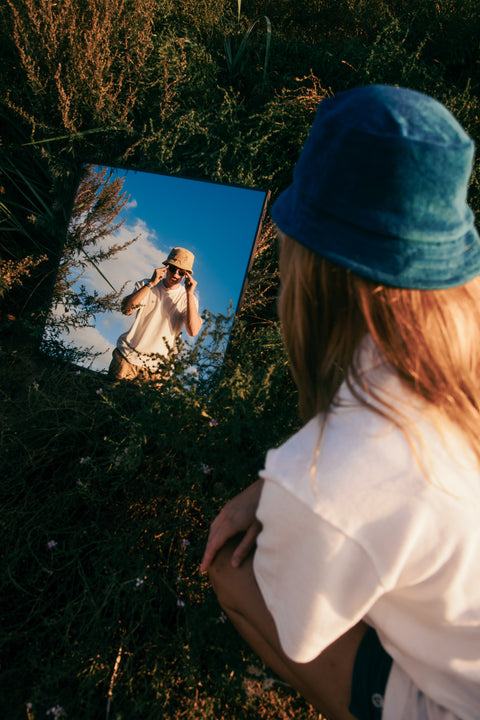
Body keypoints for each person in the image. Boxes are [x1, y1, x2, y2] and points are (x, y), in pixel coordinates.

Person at [200, 85, 480, 720]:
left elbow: (305, 633)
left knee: (232, 575)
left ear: (307, 261)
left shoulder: (328, 473)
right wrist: (268, 488)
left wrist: (291, 494)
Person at [108, 247, 202, 381]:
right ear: (166, 267)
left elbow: (193, 331)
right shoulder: (146, 284)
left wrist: (190, 293)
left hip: (157, 370)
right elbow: (127, 310)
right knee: (108, 400)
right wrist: (151, 283)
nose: (175, 274)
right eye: (172, 269)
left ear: (186, 275)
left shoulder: (188, 298)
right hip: (126, 358)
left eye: (181, 272)